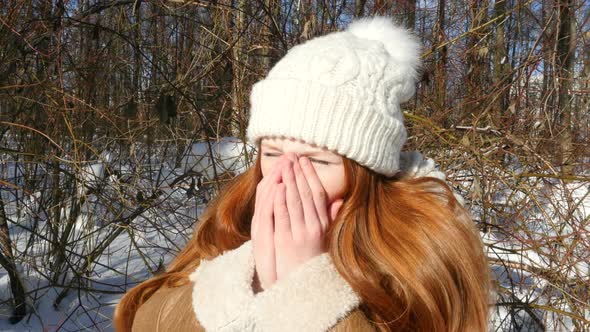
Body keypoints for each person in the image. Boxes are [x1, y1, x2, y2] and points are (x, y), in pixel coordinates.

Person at [114, 15, 492, 332]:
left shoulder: (422, 247)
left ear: (365, 172)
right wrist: (249, 282)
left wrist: (306, 292)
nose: (284, 176)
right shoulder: (236, 215)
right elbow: (147, 315)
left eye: (318, 161)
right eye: (273, 152)